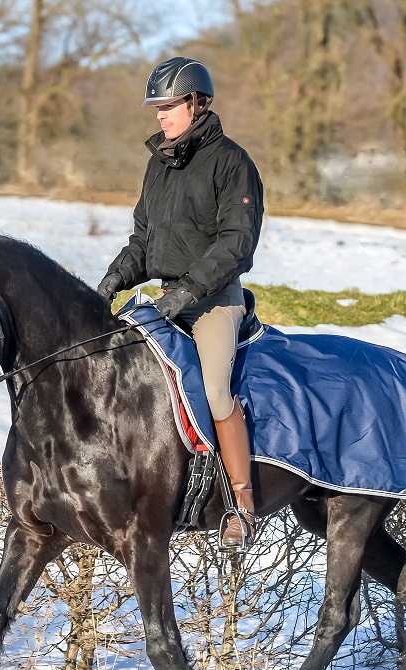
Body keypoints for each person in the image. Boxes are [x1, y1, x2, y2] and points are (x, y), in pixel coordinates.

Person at [96, 56, 264, 548]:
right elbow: (143, 243)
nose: (160, 116)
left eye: (168, 105)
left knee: (213, 393)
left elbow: (237, 242)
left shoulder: (233, 163)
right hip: (168, 296)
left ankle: (242, 505)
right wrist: (111, 281)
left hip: (214, 301)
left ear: (196, 103)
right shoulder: (157, 164)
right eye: (156, 107)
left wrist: (190, 290)